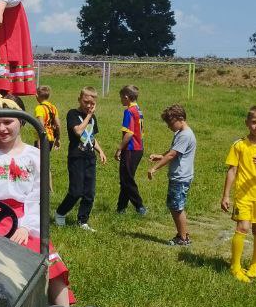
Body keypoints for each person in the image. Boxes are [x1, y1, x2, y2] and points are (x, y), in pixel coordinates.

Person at [0, 94, 73, 306]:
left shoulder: (34, 155)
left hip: (26, 218)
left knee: (48, 260)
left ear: (21, 121)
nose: (2, 128)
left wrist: (25, 227)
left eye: (8, 122)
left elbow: (37, 196)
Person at [220, 105, 256, 283]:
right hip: (243, 195)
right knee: (243, 228)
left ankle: (255, 265)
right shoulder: (239, 145)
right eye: (254, 122)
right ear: (247, 123)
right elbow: (232, 171)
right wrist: (226, 195)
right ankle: (235, 267)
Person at [54, 87, 108, 231]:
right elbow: (78, 131)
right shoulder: (73, 114)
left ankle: (82, 220)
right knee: (76, 191)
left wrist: (100, 151)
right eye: (86, 102)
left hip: (90, 158)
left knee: (89, 193)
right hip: (76, 157)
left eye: (92, 103)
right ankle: (60, 213)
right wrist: (89, 116)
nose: (89, 105)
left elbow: (91, 137)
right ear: (79, 100)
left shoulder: (92, 118)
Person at [147, 104, 196, 246]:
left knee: (177, 208)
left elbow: (172, 155)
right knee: (175, 206)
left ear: (180, 118)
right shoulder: (181, 133)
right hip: (178, 176)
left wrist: (154, 168)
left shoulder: (185, 135)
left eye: (170, 123)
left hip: (180, 177)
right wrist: (160, 156)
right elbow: (173, 151)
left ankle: (183, 238)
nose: (168, 126)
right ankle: (182, 234)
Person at [114, 84, 146, 215]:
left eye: (121, 97)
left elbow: (129, 133)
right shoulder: (138, 109)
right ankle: (121, 208)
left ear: (126, 97)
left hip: (131, 149)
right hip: (139, 149)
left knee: (127, 180)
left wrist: (119, 148)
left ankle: (140, 206)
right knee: (126, 179)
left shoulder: (129, 111)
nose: (120, 100)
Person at [33, 85, 61, 151]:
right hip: (51, 139)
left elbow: (41, 125)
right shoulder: (53, 107)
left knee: (38, 157)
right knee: (46, 157)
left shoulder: (39, 108)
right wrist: (58, 138)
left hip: (43, 139)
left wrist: (40, 140)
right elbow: (58, 125)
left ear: (37, 95)